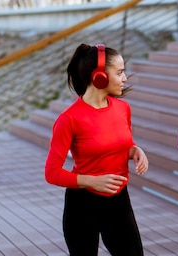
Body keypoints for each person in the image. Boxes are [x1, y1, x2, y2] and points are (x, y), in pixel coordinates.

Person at [44, 43, 148, 256]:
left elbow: (119, 145)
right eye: (119, 73)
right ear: (99, 76)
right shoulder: (69, 119)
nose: (125, 78)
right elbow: (51, 172)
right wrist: (91, 180)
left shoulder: (123, 109)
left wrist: (135, 151)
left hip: (119, 201)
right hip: (82, 205)